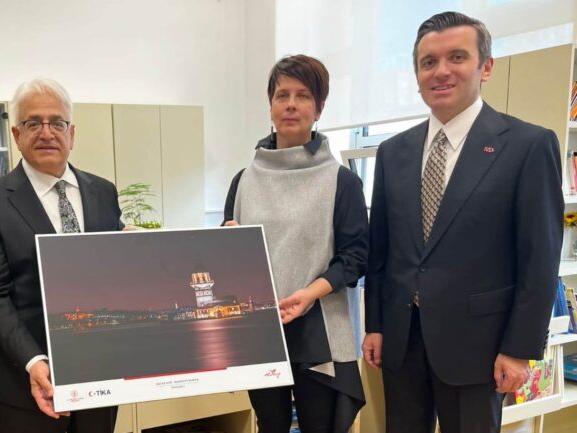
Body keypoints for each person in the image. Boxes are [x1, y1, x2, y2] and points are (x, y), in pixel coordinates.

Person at [362, 11, 563, 433]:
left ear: (485, 67)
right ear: (417, 75)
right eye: (428, 62)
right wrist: (375, 325)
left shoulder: (527, 146)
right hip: (402, 340)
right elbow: (382, 250)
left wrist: (519, 348)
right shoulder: (393, 152)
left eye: (457, 57)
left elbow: (539, 260)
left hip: (480, 345)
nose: (441, 71)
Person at [0, 78, 123, 433]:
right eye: (33, 123)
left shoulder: (104, 192)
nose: (47, 132)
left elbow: (115, 274)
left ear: (72, 133)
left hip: (100, 375)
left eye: (57, 123)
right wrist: (33, 360)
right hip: (26, 381)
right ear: (17, 134)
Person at [223, 54, 368, 433]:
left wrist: (309, 293)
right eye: (282, 95)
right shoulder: (243, 181)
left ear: (319, 109)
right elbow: (228, 252)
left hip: (319, 327)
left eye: (303, 96)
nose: (290, 104)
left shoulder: (341, 182)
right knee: (270, 425)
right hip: (260, 330)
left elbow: (355, 257)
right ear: (270, 106)